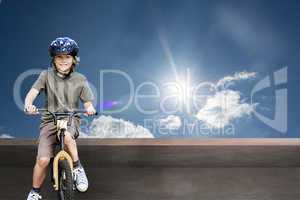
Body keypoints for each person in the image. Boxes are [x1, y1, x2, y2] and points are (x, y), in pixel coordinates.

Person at [24, 37, 96, 200]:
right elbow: (33, 93)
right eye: (59, 57)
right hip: (49, 120)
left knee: (68, 137)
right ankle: (35, 192)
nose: (63, 60)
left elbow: (87, 102)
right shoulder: (45, 75)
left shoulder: (80, 79)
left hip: (70, 118)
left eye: (67, 57)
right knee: (42, 160)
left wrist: (89, 108)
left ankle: (77, 168)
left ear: (74, 59)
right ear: (53, 59)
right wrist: (29, 104)